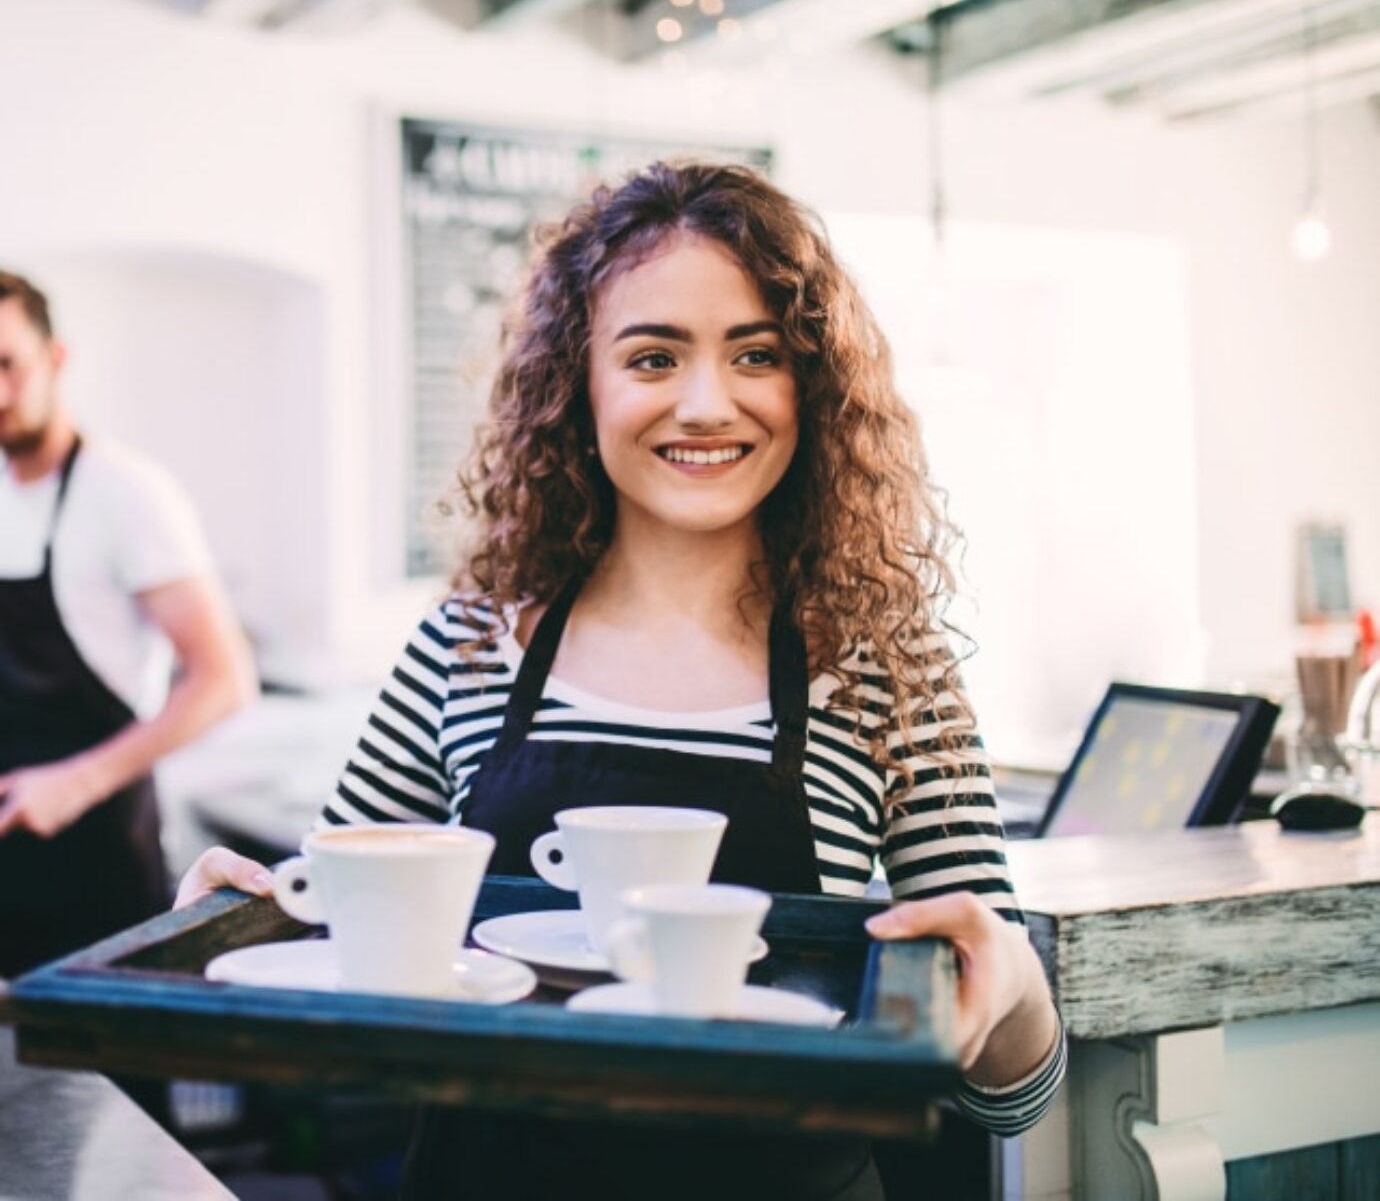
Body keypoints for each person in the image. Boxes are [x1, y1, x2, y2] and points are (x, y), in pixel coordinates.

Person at [179, 162, 1064, 1199]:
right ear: (576, 383)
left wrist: (1009, 995)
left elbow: (1013, 1095)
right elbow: (340, 946)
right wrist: (224, 929)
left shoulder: (883, 662)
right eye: (653, 356)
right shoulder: (468, 643)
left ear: (810, 384)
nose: (705, 403)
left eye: (756, 354)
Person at [0, 269, 258, 979]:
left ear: (55, 359)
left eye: (7, 365)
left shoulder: (127, 495)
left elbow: (225, 679)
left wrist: (77, 783)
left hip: (97, 869)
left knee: (107, 1087)